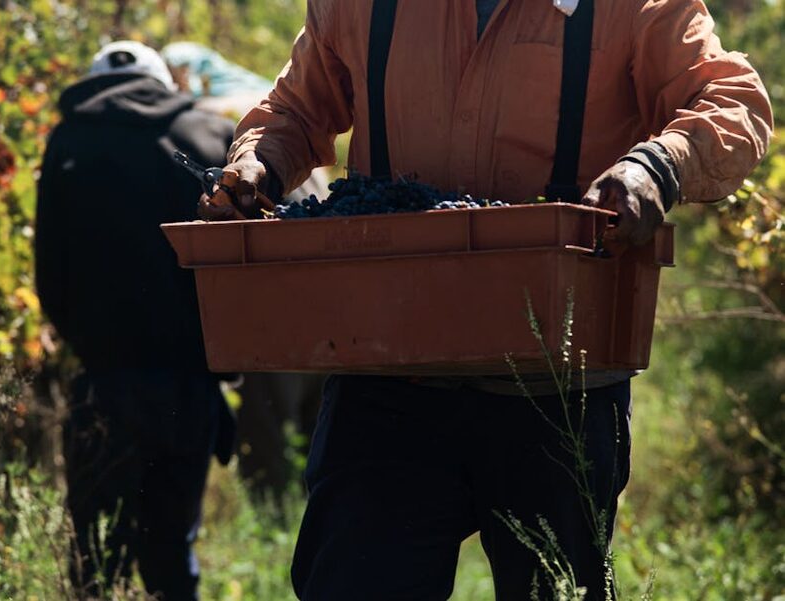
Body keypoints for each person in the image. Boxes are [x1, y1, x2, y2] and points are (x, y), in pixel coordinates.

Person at [201, 1, 773, 599]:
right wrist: (256, 164)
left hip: (558, 388)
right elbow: (295, 110)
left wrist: (658, 165)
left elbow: (737, 103)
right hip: (387, 374)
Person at [35, 40, 237, 600]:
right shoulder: (208, 137)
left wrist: (92, 344)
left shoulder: (67, 141)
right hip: (190, 387)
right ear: (161, 83)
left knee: (96, 562)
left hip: (104, 383)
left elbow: (50, 275)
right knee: (172, 553)